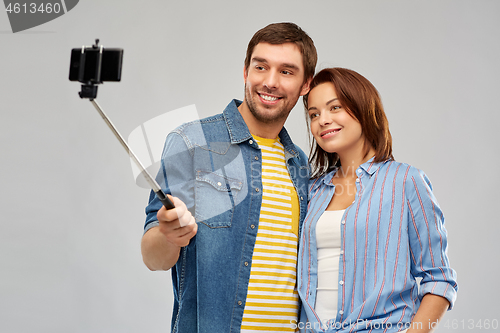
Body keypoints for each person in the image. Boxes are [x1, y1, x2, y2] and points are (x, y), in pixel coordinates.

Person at [141, 23, 317, 332]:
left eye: (287, 72)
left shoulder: (299, 163)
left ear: (305, 85)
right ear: (246, 71)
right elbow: (153, 256)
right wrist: (169, 235)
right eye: (261, 67)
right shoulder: (192, 141)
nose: (270, 81)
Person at [296, 68, 458, 333]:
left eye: (334, 107)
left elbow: (439, 279)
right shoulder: (312, 191)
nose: (322, 120)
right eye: (314, 114)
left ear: (362, 108)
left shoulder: (405, 181)